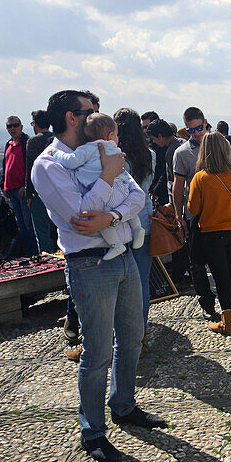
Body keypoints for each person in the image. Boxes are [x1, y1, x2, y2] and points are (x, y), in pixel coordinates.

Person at [31, 89, 164, 462]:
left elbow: (137, 197)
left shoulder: (104, 148)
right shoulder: (49, 164)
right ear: (72, 118)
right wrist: (107, 179)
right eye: (91, 111)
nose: (97, 117)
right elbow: (81, 217)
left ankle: (123, 404)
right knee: (97, 352)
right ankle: (93, 432)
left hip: (124, 254)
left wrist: (115, 217)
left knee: (134, 334)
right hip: (90, 264)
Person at [47, 113, 146, 261]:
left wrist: (56, 153)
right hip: (122, 186)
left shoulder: (87, 149)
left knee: (101, 217)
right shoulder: (115, 149)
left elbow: (70, 161)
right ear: (111, 135)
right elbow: (138, 196)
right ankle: (138, 228)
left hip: (108, 190)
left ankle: (116, 244)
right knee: (126, 206)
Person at [187, 131, 231, 333]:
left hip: (211, 232)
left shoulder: (200, 177)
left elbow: (193, 209)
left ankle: (228, 322)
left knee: (220, 276)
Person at [171, 107, 231, 318]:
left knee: (227, 264)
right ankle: (208, 304)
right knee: (197, 264)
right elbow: (178, 186)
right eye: (191, 130)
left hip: (221, 214)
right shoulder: (181, 153)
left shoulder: (222, 145)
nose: (197, 133)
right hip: (195, 215)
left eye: (200, 128)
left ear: (206, 123)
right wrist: (179, 215)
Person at [113, 107, 155, 343]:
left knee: (121, 282)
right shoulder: (150, 154)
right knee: (142, 279)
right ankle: (141, 330)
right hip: (145, 216)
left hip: (122, 221)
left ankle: (123, 333)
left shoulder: (117, 159)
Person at [1, 116, 38, 256]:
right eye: (10, 126)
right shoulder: (8, 144)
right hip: (11, 190)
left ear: (21, 126)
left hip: (23, 190)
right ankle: (29, 252)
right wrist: (4, 185)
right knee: (21, 225)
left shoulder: (26, 142)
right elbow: (6, 165)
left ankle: (35, 253)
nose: (13, 128)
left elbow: (31, 166)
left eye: (15, 125)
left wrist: (26, 185)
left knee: (29, 225)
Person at [25, 110, 57, 253]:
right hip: (57, 189)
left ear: (35, 124)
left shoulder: (33, 141)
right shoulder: (57, 138)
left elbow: (30, 169)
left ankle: (46, 259)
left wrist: (29, 193)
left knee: (42, 231)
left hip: (39, 192)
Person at [147, 119, 178, 207]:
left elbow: (171, 178)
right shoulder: (181, 144)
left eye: (153, 138)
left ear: (160, 136)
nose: (153, 142)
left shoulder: (171, 151)